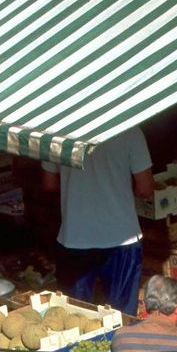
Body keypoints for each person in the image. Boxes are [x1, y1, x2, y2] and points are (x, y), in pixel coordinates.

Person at [40, 127, 154, 315]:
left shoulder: (56, 130)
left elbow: (49, 184)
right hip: (121, 236)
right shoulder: (130, 130)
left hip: (75, 236)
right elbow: (145, 189)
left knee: (75, 316)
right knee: (121, 316)